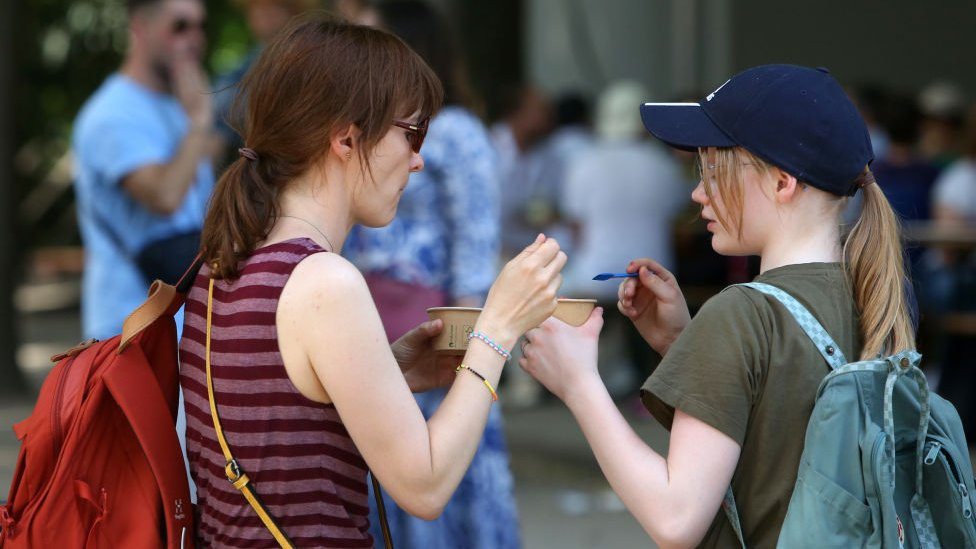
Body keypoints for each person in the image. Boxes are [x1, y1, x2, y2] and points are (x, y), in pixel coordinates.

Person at [178, 16, 566, 547]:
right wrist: (495, 330)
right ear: (346, 137)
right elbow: (425, 487)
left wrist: (391, 372)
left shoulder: (223, 261)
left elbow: (278, 424)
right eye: (413, 132)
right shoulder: (324, 282)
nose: (419, 159)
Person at [519, 64, 913, 547]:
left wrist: (579, 382)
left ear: (782, 182)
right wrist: (683, 345)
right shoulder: (875, 298)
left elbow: (675, 518)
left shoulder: (741, 314)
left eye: (712, 168)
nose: (697, 191)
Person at [340, 2, 519, 547]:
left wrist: (467, 357)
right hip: (361, 337)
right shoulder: (356, 131)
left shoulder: (459, 132)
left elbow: (475, 246)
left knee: (433, 492)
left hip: (431, 339)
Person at [72, 0, 217, 340]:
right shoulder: (111, 113)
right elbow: (165, 197)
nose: (194, 38)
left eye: (200, 26)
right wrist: (198, 123)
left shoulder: (177, 105)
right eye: (180, 26)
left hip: (177, 322)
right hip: (128, 331)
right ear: (140, 27)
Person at [560, 80, 685, 399]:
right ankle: (639, 381)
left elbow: (576, 227)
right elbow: (676, 221)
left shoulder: (584, 161)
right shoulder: (663, 164)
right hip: (654, 274)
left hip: (594, 274)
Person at [213, 0, 318, 160]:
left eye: (271, 9)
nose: (263, 16)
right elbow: (217, 116)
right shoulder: (245, 65)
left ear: (291, 13)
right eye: (256, 10)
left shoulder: (312, 58)